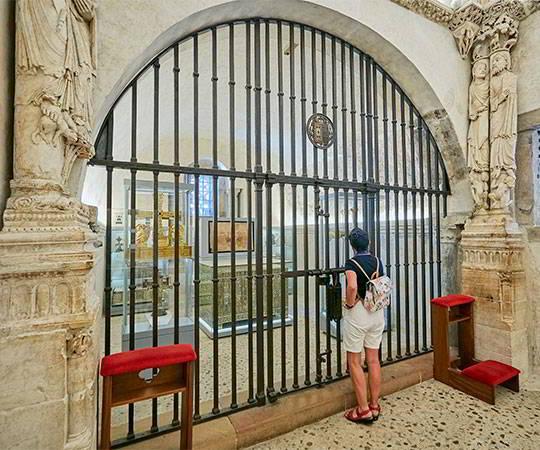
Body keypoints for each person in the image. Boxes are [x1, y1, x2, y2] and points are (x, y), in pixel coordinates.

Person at [343, 228, 385, 424]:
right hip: (376, 313)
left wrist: (349, 303)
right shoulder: (377, 260)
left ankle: (363, 410)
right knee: (374, 360)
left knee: (354, 361)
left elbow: (352, 286)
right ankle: (375, 404)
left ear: (352, 245)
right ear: (368, 243)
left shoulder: (351, 263)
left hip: (359, 313)